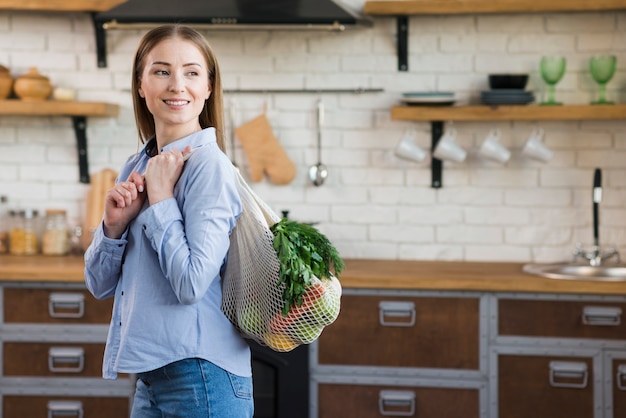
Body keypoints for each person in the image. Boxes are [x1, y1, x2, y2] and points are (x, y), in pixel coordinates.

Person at [84, 24, 253, 418]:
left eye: (192, 73)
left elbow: (192, 284)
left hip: (202, 378)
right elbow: (98, 285)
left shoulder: (209, 168)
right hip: (153, 378)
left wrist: (160, 201)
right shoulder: (137, 164)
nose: (178, 85)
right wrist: (112, 227)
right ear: (141, 85)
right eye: (161, 71)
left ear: (209, 87)